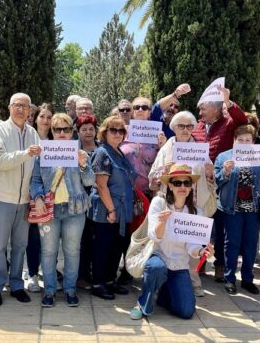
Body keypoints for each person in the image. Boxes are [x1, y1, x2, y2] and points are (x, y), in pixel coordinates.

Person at [130, 163, 215, 320]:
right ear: (169, 185)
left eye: (186, 183)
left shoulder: (197, 212)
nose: (182, 187)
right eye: (177, 183)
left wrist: (203, 251)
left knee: (186, 311)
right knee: (156, 268)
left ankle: (164, 293)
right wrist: (162, 222)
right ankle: (142, 303)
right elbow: (154, 236)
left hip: (179, 265)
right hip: (158, 256)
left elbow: (192, 246)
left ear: (191, 187)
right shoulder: (159, 203)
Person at [30, 113, 95, 307]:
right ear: (52, 131)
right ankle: (49, 290)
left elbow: (89, 182)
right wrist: (38, 197)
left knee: (72, 251)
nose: (61, 133)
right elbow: (35, 180)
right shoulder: (44, 152)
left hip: (74, 210)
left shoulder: (79, 153)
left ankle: (70, 290)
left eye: (66, 129)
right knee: (48, 251)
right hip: (49, 210)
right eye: (57, 129)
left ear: (71, 132)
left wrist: (83, 165)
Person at [0, 93, 41, 307]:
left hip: (24, 200)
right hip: (2, 198)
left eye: (25, 106)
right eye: (17, 105)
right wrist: (26, 153)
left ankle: (17, 285)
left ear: (29, 111)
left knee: (20, 245)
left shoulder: (33, 133)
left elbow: (40, 163)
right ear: (9, 107)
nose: (21, 109)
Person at [192, 86, 248, 282]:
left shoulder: (228, 123)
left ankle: (220, 265)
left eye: (203, 108)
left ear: (216, 108)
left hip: (223, 183)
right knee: (201, 223)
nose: (200, 112)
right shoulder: (197, 127)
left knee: (221, 226)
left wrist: (228, 102)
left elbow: (243, 121)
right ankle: (199, 263)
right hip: (201, 184)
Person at [215, 125, 260, 294]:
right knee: (232, 243)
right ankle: (230, 278)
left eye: (247, 140)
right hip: (231, 207)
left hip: (254, 208)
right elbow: (217, 181)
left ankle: (248, 279)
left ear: (253, 142)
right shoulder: (223, 157)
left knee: (250, 244)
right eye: (240, 139)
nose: (243, 143)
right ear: (234, 141)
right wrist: (226, 172)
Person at [88, 115, 136, 300]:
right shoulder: (102, 153)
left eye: (120, 130)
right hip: (106, 210)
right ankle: (98, 284)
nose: (117, 134)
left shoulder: (118, 152)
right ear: (105, 132)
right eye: (113, 130)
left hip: (121, 210)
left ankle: (109, 280)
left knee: (116, 247)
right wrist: (111, 210)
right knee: (102, 248)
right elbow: (101, 185)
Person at [25, 103, 54, 292]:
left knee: (50, 238)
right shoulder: (28, 137)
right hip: (28, 193)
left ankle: (48, 272)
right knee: (33, 237)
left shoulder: (56, 141)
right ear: (35, 118)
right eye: (42, 116)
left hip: (51, 197)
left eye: (49, 117)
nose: (45, 120)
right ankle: (32, 274)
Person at [75, 114, 99, 289]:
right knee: (81, 239)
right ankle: (80, 275)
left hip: (99, 199)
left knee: (94, 238)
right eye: (84, 129)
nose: (88, 132)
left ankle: (92, 272)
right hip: (79, 199)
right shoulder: (72, 150)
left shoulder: (102, 148)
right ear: (78, 132)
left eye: (91, 129)